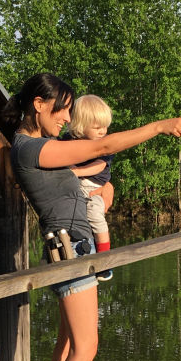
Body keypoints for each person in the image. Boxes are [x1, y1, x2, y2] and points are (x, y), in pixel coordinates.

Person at [1, 73, 181, 361]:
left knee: (68, 345)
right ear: (39, 105)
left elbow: (82, 178)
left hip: (74, 247)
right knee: (87, 346)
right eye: (62, 109)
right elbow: (104, 144)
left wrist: (102, 196)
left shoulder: (42, 146)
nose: (66, 118)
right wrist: (159, 126)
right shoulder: (29, 149)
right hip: (69, 251)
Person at [64, 94, 116, 281]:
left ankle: (104, 260)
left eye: (105, 126)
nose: (103, 131)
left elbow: (99, 166)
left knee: (95, 214)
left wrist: (77, 172)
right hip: (76, 188)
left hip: (94, 186)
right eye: (97, 127)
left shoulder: (103, 145)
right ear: (80, 125)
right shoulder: (66, 140)